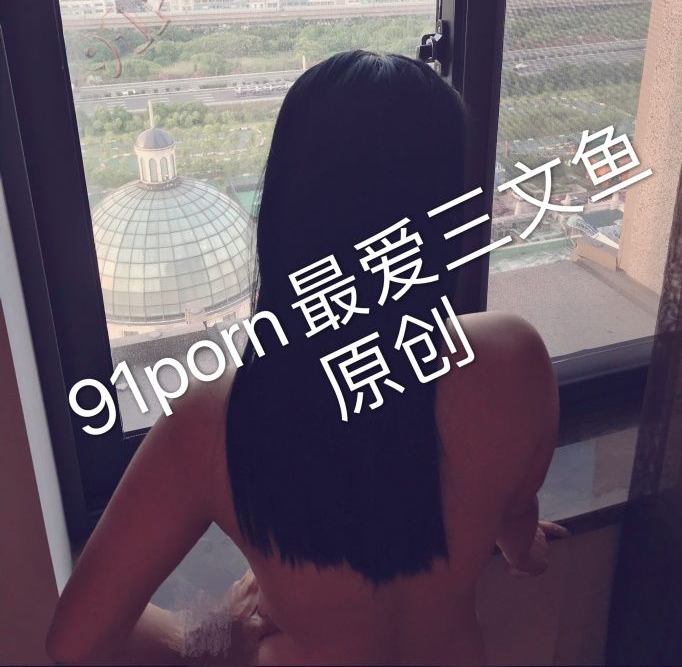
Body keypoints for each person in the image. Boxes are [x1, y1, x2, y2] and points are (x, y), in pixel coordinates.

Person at [47, 50, 565, 666]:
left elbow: (75, 641)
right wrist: (519, 544)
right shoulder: (516, 360)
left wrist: (217, 635)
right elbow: (517, 530)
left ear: (285, 214)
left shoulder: (215, 421)